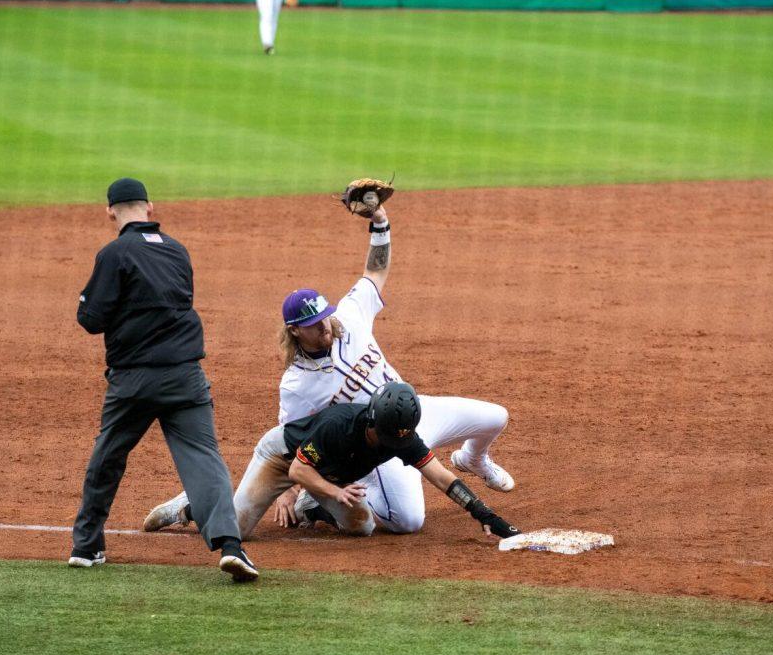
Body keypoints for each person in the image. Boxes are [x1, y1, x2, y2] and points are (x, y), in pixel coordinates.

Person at [144, 198, 517, 539]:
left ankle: (472, 459)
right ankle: (204, 504)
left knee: (495, 417)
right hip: (375, 442)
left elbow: (376, 272)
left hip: (410, 414)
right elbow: (292, 440)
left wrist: (380, 222)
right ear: (295, 331)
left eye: (325, 318)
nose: (325, 327)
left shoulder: (350, 316)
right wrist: (290, 491)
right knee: (407, 521)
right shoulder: (297, 383)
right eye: (315, 325)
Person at [70, 177, 257, 582]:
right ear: (150, 207)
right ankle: (231, 545)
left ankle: (86, 547)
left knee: (108, 457)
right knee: (205, 460)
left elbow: (90, 319)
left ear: (110, 211)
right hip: (185, 376)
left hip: (133, 382)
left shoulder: (114, 253)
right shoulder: (177, 251)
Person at [147, 383, 520, 541]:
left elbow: (440, 477)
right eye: (388, 438)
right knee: (237, 532)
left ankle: (313, 508)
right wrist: (333, 490)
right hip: (282, 458)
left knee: (362, 526)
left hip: (324, 475)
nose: (393, 445)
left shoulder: (401, 435)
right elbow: (297, 469)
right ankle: (192, 506)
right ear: (372, 420)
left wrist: (484, 514)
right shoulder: (338, 425)